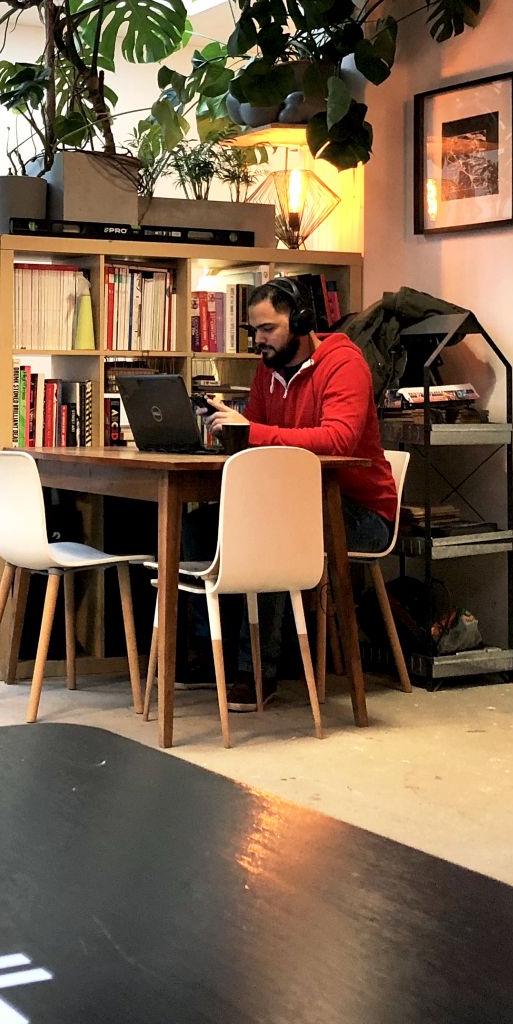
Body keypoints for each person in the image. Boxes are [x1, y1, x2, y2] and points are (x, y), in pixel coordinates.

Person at [197, 278, 398, 708]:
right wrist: (226, 430)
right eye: (254, 330)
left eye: (268, 329)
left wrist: (250, 430)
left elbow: (338, 440)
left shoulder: (344, 364)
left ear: (301, 321)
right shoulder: (266, 371)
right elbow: (255, 438)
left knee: (273, 534)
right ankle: (204, 657)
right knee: (200, 526)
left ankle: (257, 672)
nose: (259, 340)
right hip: (293, 503)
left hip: (361, 513)